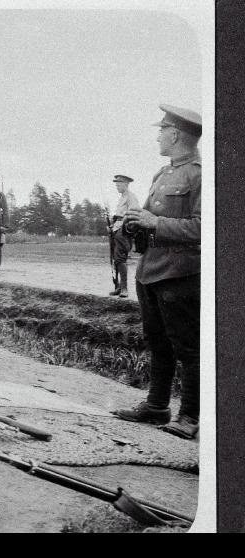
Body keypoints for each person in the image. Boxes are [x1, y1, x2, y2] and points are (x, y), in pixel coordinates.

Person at [113, 104, 202, 440]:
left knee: (188, 346)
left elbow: (204, 228)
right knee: (157, 342)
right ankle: (156, 406)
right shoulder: (161, 175)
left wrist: (155, 222)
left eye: (161, 130)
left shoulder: (200, 174)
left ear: (176, 134)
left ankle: (190, 416)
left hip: (179, 274)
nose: (158, 137)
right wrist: (134, 221)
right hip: (151, 270)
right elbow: (150, 219)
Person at [108, 175, 140, 297]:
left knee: (121, 258)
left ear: (126, 184)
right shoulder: (122, 198)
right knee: (116, 258)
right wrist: (112, 223)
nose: (117, 187)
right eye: (116, 185)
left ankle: (125, 289)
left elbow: (134, 212)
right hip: (117, 229)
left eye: (119, 185)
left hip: (124, 230)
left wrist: (123, 224)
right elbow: (119, 215)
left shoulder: (131, 197)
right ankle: (119, 287)